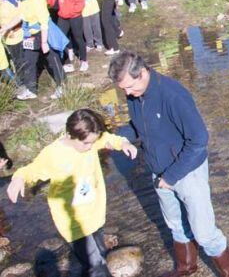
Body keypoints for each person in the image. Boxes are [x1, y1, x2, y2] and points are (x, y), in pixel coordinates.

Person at [108, 51, 229, 277]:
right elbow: (140, 126)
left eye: (129, 87)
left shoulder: (172, 94)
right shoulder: (135, 95)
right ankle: (186, 267)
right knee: (176, 225)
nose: (127, 94)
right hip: (158, 171)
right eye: (123, 90)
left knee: (205, 233)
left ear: (142, 73)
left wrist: (171, 176)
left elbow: (199, 140)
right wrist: (118, 137)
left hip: (187, 172)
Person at [7, 109, 137, 277]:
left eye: (93, 142)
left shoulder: (90, 141)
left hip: (94, 214)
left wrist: (123, 143)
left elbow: (108, 139)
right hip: (73, 223)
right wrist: (19, 178)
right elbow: (32, 170)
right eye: (86, 144)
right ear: (70, 135)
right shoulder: (54, 154)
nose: (91, 147)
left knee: (100, 255)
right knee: (96, 266)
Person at [1, 0, 65, 100]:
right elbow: (22, 15)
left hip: (43, 32)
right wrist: (6, 27)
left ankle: (62, 86)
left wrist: (44, 42)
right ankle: (31, 90)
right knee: (29, 61)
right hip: (30, 34)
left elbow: (44, 22)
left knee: (52, 59)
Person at [45, 0, 86, 73]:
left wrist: (72, 11)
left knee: (78, 38)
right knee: (61, 37)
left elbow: (80, 2)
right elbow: (51, 2)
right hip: (63, 17)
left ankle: (84, 60)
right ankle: (67, 60)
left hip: (75, 17)